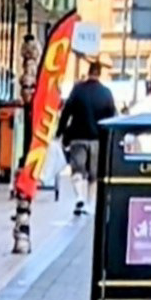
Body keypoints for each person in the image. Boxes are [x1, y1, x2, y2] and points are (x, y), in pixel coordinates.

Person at [56, 59, 117, 216]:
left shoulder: (78, 90)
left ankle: (80, 198)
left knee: (77, 169)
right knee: (94, 174)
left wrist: (60, 131)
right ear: (100, 73)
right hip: (98, 139)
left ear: (89, 71)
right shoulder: (106, 93)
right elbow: (112, 117)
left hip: (78, 137)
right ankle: (89, 203)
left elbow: (66, 112)